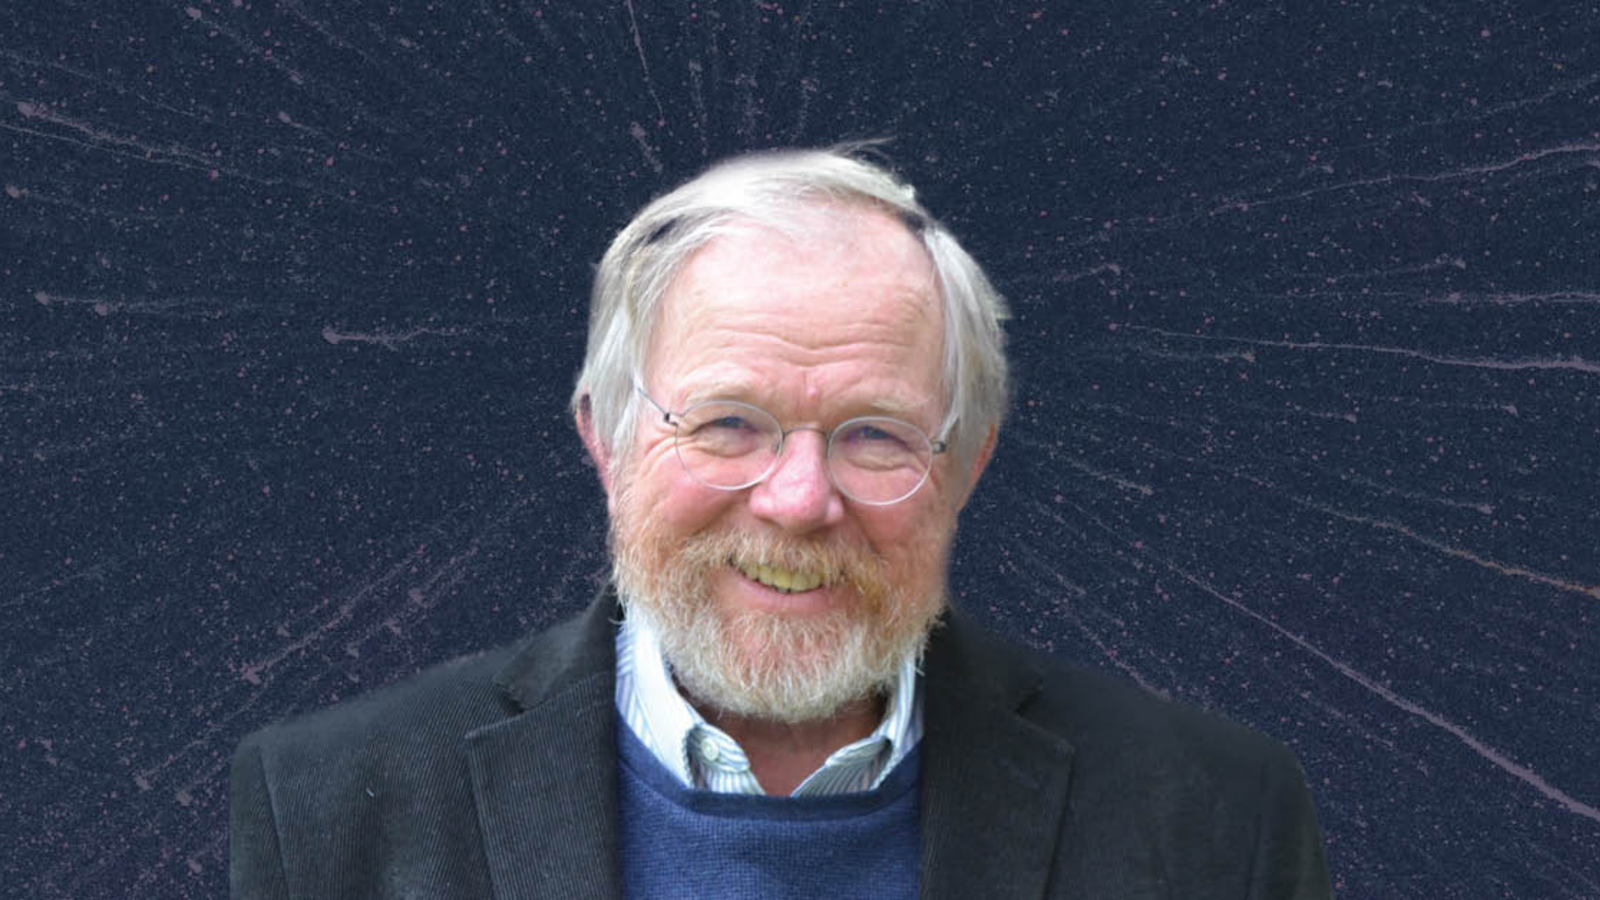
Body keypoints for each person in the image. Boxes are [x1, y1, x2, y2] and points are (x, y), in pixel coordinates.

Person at [231, 146, 1333, 899]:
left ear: (968, 465)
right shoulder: (330, 815)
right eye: (727, 423)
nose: (800, 500)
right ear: (605, 439)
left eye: (875, 435)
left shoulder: (1216, 822)